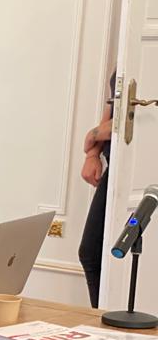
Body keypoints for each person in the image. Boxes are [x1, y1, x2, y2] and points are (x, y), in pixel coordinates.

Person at [79, 71, 116, 310]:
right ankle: (101, 320)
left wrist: (95, 134)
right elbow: (115, 102)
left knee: (94, 253)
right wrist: (93, 153)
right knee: (91, 253)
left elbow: (135, 111)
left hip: (139, 167)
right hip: (115, 164)